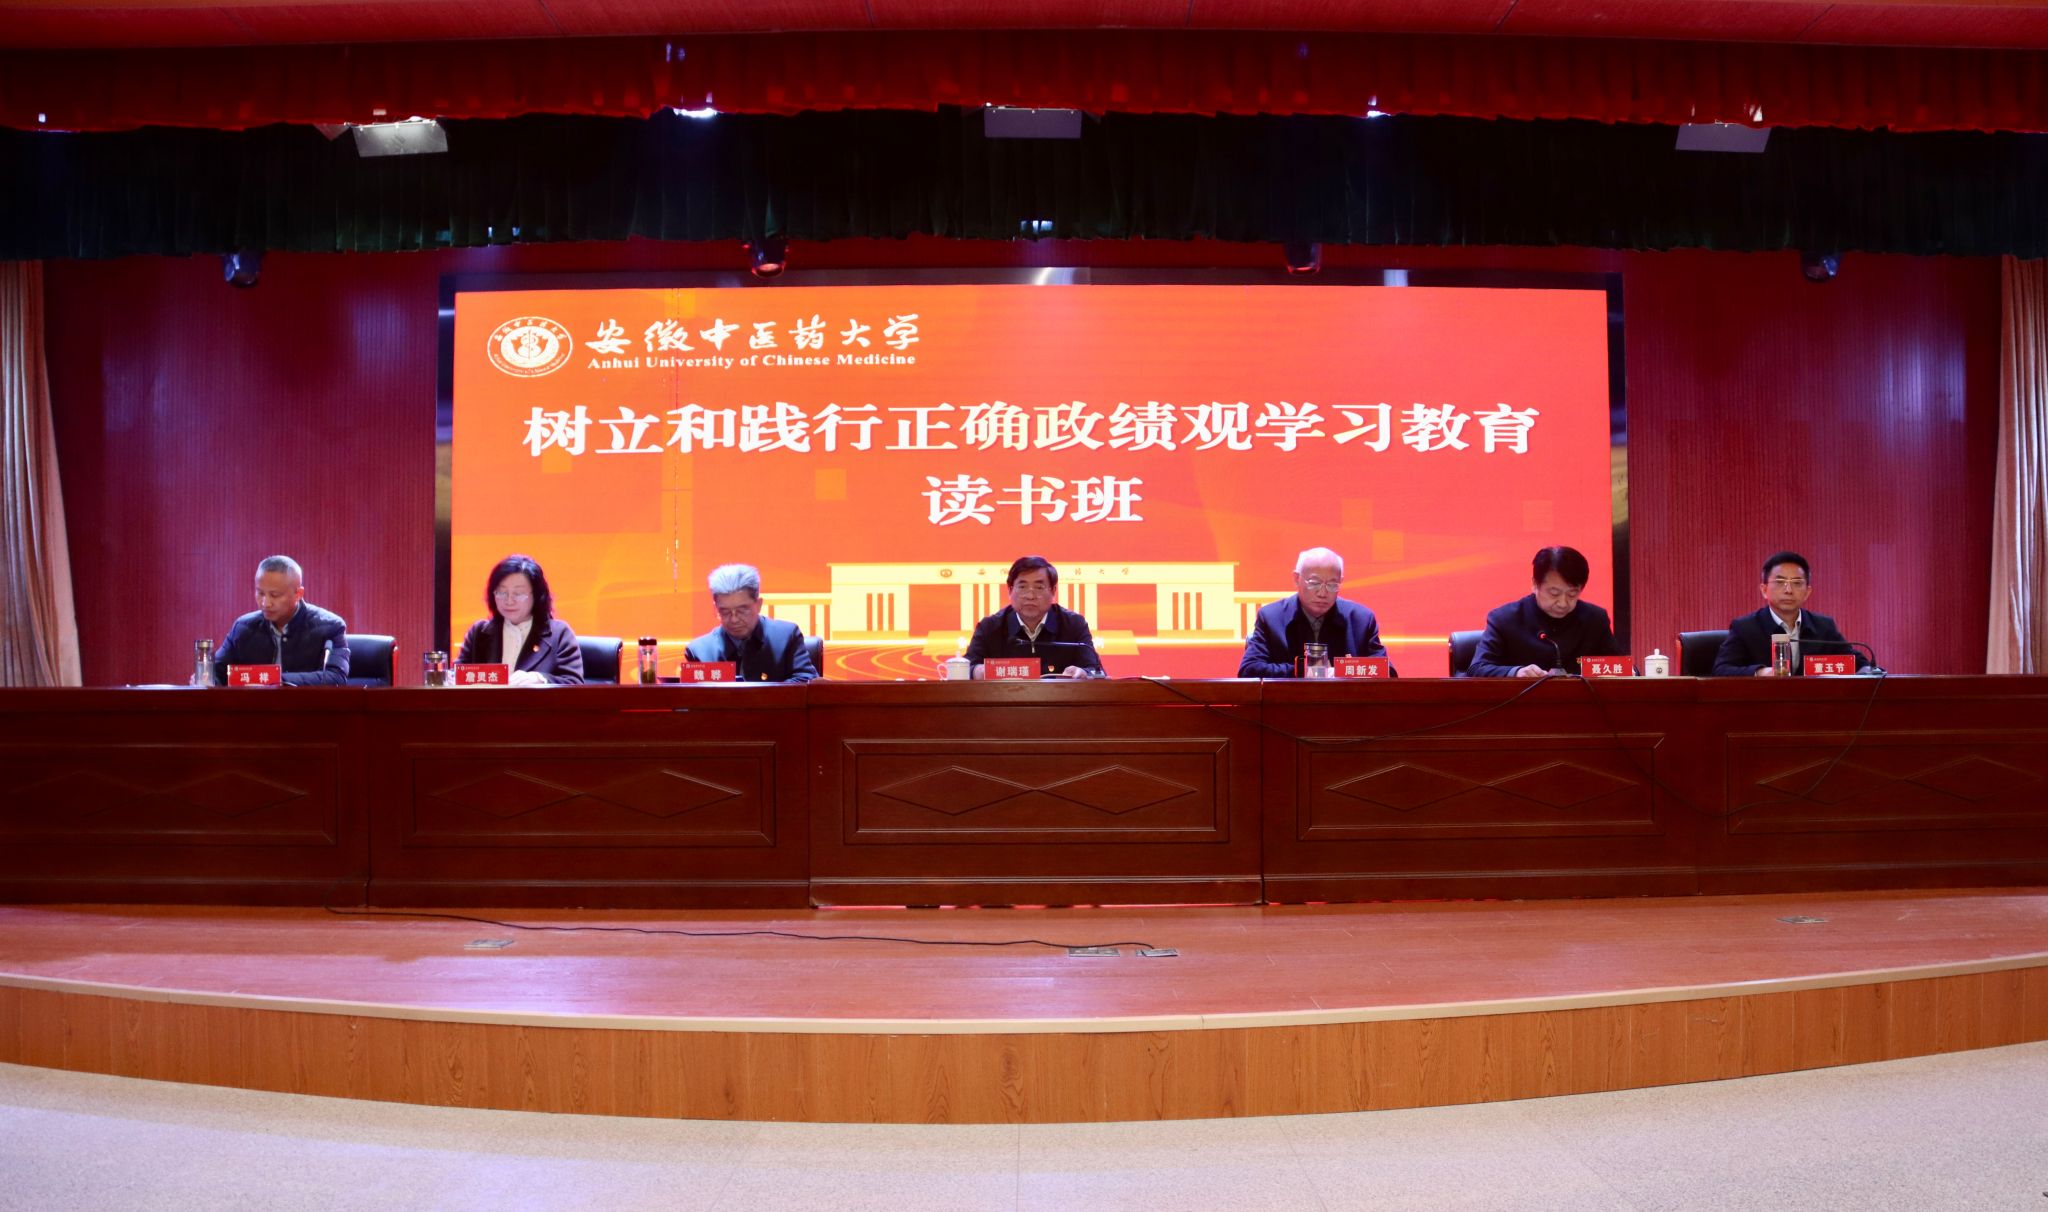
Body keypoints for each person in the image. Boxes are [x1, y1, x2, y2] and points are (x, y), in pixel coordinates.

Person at [1238, 547, 1395, 677]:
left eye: (1332, 585)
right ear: (1296, 578)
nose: (1322, 593)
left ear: (1341, 582)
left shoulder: (1361, 619)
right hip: (1290, 703)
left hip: (1343, 704)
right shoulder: (1271, 617)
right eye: (1314, 583)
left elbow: (1388, 672)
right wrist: (1305, 671)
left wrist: (1341, 671)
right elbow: (1249, 670)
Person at [1713, 551, 1873, 676]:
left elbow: (1857, 663)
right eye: (1780, 582)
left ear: (1807, 592)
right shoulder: (1745, 628)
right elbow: (1721, 670)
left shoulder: (1823, 626)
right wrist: (1760, 672)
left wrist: (1869, 670)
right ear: (1764, 590)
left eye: (1797, 583)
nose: (1788, 590)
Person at [1468, 545, 1617, 677]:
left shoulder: (1595, 619)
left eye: (1572, 594)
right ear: (1535, 584)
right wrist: (1516, 672)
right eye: (1554, 593)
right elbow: (1477, 668)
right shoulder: (1504, 619)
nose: (1563, 603)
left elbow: (1622, 668)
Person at [216, 555, 350, 686]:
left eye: (274, 595)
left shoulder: (330, 627)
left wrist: (274, 680)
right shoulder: (243, 627)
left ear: (298, 594)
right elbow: (216, 671)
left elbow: (336, 678)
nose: (265, 603)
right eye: (260, 593)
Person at [962, 555, 1103, 678]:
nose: (1030, 596)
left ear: (1053, 591)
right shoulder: (990, 627)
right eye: (1022, 587)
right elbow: (965, 668)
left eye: (1039, 587)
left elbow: (1096, 671)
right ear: (1010, 590)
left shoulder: (1073, 625)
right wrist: (977, 671)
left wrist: (1084, 673)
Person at [455, 554, 584, 685]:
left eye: (518, 594)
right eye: (502, 592)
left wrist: (539, 679)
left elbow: (574, 683)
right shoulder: (479, 633)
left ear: (537, 595)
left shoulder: (559, 634)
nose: (509, 601)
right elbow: (455, 678)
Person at [684, 564, 819, 682]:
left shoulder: (786, 636)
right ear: (716, 608)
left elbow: (806, 681)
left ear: (758, 604)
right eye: (725, 612)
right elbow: (694, 697)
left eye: (742, 610)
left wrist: (756, 696)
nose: (734, 619)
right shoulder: (700, 651)